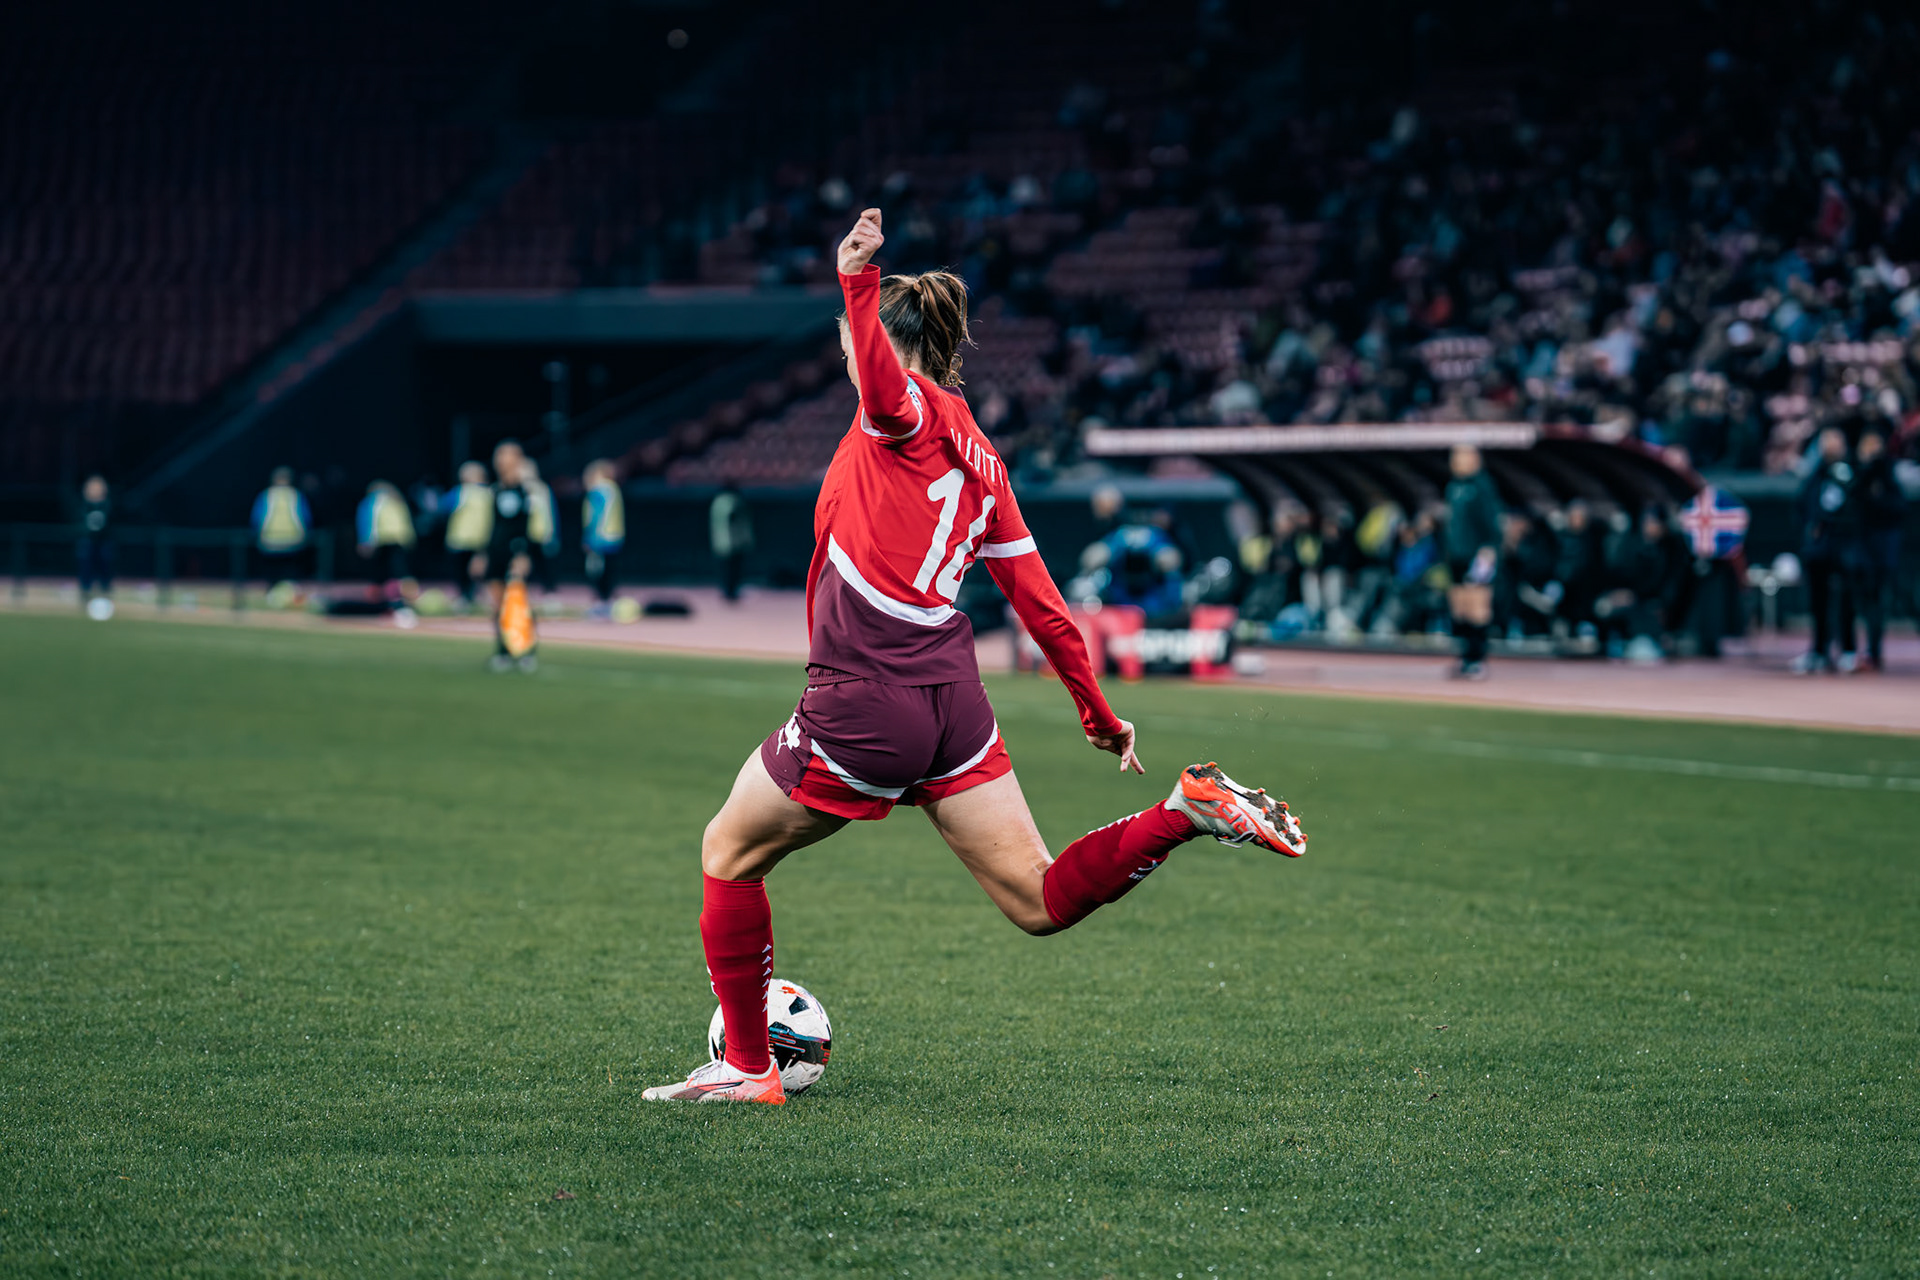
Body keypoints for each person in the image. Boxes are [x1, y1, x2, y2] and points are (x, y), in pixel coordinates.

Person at [643, 209, 1308, 1106]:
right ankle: (1182, 813)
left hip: (868, 697)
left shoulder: (901, 414)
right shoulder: (986, 459)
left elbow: (882, 388)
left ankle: (751, 1068)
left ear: (872, 341)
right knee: (1036, 900)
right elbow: (1045, 608)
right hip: (952, 701)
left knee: (728, 851)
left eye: (852, 340)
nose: (849, 354)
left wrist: (854, 280)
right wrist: (1099, 715)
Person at [1793, 428, 1858, 674]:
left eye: (1833, 441)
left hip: (1842, 549)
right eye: (1825, 442)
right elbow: (1802, 506)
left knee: (1845, 602)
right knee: (1818, 603)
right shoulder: (1816, 473)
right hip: (1817, 551)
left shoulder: (1847, 471)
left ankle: (1848, 651)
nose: (1828, 446)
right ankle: (1819, 651)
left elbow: (1848, 508)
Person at [1845, 429, 1906, 673]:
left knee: (1878, 602)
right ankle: (1852, 651)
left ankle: (1874, 651)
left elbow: (1898, 509)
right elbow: (1851, 501)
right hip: (1857, 551)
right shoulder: (1856, 474)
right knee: (1852, 601)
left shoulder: (1888, 477)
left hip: (1882, 552)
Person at [475, 441, 538, 672]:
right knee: (497, 605)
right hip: (496, 553)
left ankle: (526, 652)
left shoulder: (526, 490)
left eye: (506, 456)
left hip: (516, 553)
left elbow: (529, 526)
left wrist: (523, 554)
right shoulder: (495, 490)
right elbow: (492, 526)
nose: (501, 461)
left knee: (520, 603)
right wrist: (482, 554)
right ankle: (503, 651)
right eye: (499, 456)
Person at [1444, 443, 1503, 678]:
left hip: (1477, 556)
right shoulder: (1453, 486)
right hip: (1455, 557)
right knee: (1460, 608)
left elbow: (1492, 525)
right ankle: (1465, 656)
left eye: (1461, 456)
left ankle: (1478, 659)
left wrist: (1488, 553)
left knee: (1477, 605)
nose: (1456, 461)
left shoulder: (1482, 486)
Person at [354, 481, 417, 611]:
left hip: (382, 539)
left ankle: (379, 600)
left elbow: (367, 519)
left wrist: (365, 540)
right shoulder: (397, 500)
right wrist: (409, 539)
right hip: (398, 539)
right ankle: (404, 599)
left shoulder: (374, 501)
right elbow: (406, 522)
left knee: (381, 572)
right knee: (399, 571)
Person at [442, 461, 494, 609]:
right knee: (463, 572)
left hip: (474, 539)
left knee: (475, 572)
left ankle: (471, 597)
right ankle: (466, 598)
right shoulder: (486, 493)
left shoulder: (465, 492)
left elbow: (442, 506)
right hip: (463, 539)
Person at [581, 459, 626, 618]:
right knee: (610, 570)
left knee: (598, 572)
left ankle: (602, 603)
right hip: (614, 537)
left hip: (600, 538)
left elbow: (595, 515)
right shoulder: (614, 489)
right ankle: (607, 601)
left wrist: (588, 538)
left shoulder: (599, 490)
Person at [251, 466, 311, 581]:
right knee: (290, 573)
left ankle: (273, 593)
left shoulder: (266, 495)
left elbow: (256, 519)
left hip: (269, 540)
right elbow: (307, 518)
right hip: (293, 540)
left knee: (273, 573)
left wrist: (257, 534)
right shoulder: (296, 495)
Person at [72, 474, 115, 620]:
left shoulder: (108, 504)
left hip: (103, 542)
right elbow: (78, 522)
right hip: (88, 541)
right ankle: (85, 592)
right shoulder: (83, 505)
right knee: (86, 565)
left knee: (104, 565)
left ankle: (105, 592)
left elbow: (111, 523)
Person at [522, 458, 560, 601]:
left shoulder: (541, 489)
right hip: (523, 534)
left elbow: (549, 512)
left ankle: (549, 591)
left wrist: (550, 532)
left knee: (543, 564)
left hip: (539, 534)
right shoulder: (516, 489)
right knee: (522, 564)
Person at [710, 481, 754, 603]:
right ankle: (730, 592)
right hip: (733, 542)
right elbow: (732, 515)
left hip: (720, 541)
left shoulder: (717, 501)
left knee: (726, 570)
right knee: (732, 570)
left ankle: (728, 591)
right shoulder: (731, 500)